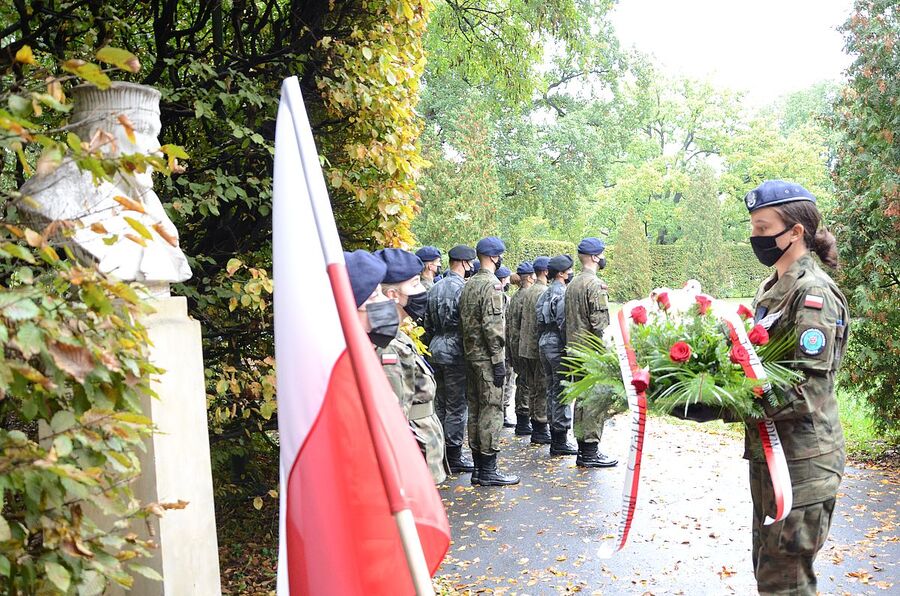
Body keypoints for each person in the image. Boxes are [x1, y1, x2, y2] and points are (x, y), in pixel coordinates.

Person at [743, 180, 850, 595]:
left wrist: (733, 406)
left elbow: (806, 389)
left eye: (763, 227)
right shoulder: (772, 289)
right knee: (769, 570)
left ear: (795, 232)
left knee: (785, 581)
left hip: (804, 461)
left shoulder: (813, 294)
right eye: (752, 227)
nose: (756, 237)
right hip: (773, 456)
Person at [374, 248, 449, 485]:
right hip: (414, 457)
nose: (421, 291)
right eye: (415, 284)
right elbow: (396, 417)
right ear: (394, 294)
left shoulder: (396, 335)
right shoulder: (387, 345)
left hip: (423, 447)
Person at [459, 237, 519, 486]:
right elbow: (493, 328)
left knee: (475, 409)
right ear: (494, 257)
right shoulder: (492, 286)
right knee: (491, 410)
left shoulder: (469, 284)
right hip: (486, 358)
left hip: (470, 356)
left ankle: (478, 467)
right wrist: (498, 362)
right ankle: (488, 469)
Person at [564, 238, 618, 468]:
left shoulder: (573, 283)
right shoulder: (595, 285)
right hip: (591, 352)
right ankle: (590, 451)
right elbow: (600, 324)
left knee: (582, 401)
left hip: (574, 349)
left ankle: (584, 450)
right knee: (594, 402)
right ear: (595, 257)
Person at [425, 244, 477, 474]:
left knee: (441, 403)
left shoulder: (435, 288)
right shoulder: (462, 289)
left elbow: (426, 323)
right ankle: (453, 453)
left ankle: (440, 450)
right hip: (455, 350)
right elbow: (467, 325)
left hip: (436, 348)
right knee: (457, 405)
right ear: (465, 263)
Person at [535, 254, 578, 456]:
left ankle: (556, 435)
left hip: (544, 342)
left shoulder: (544, 293)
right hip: (557, 343)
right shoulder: (562, 293)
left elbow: (538, 321)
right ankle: (560, 439)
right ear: (561, 273)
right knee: (562, 390)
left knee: (552, 389)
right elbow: (563, 322)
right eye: (568, 270)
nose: (571, 273)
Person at [518, 256, 551, 444]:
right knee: (541, 389)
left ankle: (534, 423)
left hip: (526, 347)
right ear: (546, 272)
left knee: (532, 388)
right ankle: (540, 427)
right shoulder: (543, 292)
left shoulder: (529, 292)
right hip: (537, 348)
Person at [507, 261, 536, 435]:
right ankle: (524, 419)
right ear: (531, 277)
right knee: (527, 383)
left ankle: (522, 419)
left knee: (521, 381)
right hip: (524, 345)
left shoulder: (517, 296)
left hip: (514, 344)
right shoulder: (527, 296)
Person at [495, 265, 516, 427]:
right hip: (503, 346)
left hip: (500, 345)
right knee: (507, 379)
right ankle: (502, 412)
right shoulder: (502, 298)